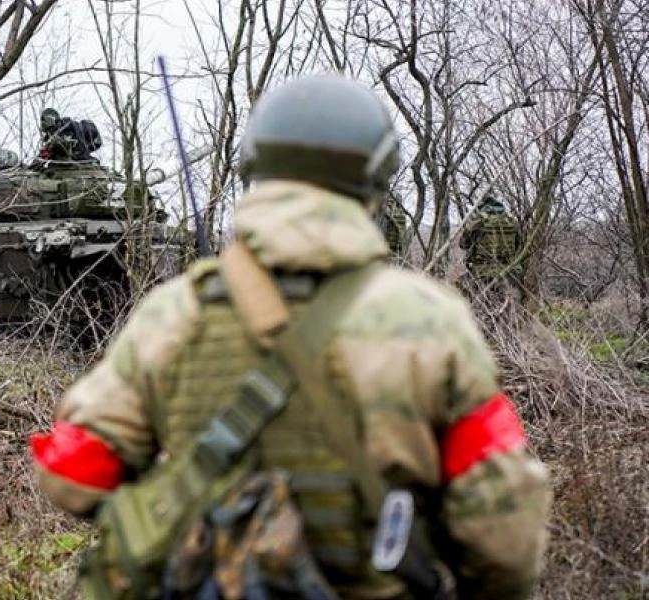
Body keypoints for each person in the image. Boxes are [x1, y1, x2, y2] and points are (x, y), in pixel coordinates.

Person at [31, 74, 550, 599]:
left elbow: (74, 470)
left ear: (256, 167)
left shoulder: (176, 312)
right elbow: (504, 530)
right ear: (375, 175)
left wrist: (174, 507)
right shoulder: (432, 320)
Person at [459, 196, 523, 296]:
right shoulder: (512, 221)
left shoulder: (478, 221)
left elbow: (463, 244)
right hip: (509, 271)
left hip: (482, 271)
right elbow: (519, 245)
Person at [376, 196, 408, 262]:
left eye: (400, 200)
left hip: (396, 239)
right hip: (390, 238)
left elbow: (402, 224)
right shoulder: (391, 209)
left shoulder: (400, 211)